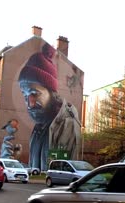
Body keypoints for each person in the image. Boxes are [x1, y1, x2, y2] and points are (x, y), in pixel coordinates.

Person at [18, 43, 81, 171]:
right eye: (25, 96)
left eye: (35, 94)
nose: (30, 104)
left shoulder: (66, 123)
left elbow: (64, 173)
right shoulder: (40, 125)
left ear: (52, 93)